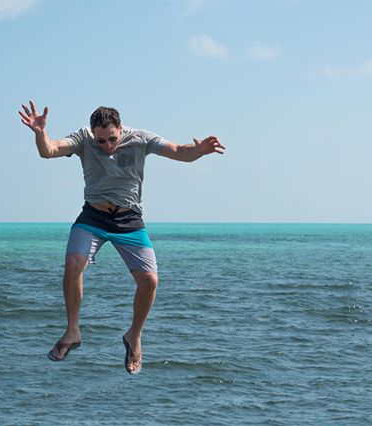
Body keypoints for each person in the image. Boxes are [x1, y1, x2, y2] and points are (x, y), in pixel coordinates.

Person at [18, 100, 225, 374]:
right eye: (100, 141)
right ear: (92, 133)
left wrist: (198, 151)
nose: (106, 146)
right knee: (72, 265)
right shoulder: (83, 138)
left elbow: (178, 151)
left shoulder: (140, 139)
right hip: (93, 216)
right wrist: (40, 133)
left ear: (121, 127)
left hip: (129, 219)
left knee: (150, 281)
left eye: (111, 139)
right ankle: (72, 332)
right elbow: (50, 150)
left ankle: (134, 335)